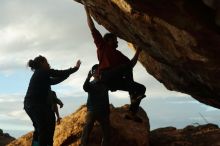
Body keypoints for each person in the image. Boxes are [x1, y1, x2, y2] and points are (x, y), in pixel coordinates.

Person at [84, 6, 146, 121]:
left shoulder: (119, 54)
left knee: (142, 88)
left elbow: (131, 65)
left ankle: (132, 112)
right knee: (125, 67)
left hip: (114, 82)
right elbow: (92, 28)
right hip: (105, 77)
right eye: (115, 40)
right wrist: (87, 11)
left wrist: (138, 51)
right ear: (108, 40)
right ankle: (132, 96)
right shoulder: (102, 46)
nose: (117, 41)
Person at [24, 55, 81, 146]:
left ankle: (42, 143)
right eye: (46, 62)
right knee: (43, 128)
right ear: (41, 63)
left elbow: (55, 80)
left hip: (31, 105)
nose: (48, 64)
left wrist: (68, 74)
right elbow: (57, 73)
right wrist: (75, 68)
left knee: (43, 126)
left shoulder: (41, 75)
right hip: (35, 105)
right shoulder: (42, 72)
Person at [80, 64, 110, 146]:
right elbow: (85, 87)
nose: (96, 72)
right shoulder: (90, 84)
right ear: (92, 73)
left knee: (107, 133)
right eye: (95, 70)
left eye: (98, 70)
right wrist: (87, 78)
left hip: (104, 111)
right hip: (92, 110)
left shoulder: (105, 83)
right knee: (87, 128)